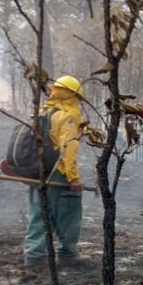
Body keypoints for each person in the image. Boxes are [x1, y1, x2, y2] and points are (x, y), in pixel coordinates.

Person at [20, 75, 87, 268]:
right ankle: (68, 255)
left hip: (37, 171)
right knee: (69, 213)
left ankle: (34, 258)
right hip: (58, 173)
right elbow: (68, 148)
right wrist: (73, 178)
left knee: (38, 214)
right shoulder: (68, 116)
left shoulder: (42, 113)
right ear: (73, 95)